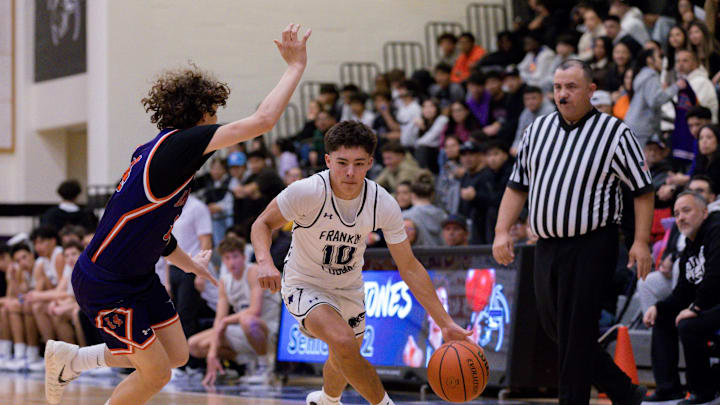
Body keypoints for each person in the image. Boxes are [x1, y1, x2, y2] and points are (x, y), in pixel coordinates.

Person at [43, 24, 311, 405]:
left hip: (134, 276)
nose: (217, 119)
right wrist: (295, 66)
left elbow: (156, 233)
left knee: (177, 354)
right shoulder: (179, 147)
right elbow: (263, 121)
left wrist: (190, 265)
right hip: (107, 281)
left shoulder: (160, 153)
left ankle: (73, 359)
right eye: (214, 112)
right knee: (157, 372)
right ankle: (74, 362)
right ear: (200, 112)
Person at [250, 120, 470, 405]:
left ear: (370, 163)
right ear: (328, 160)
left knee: (344, 352)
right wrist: (265, 262)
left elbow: (410, 266)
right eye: (342, 163)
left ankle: (327, 400)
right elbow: (262, 224)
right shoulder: (307, 191)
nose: (350, 172)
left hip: (349, 287)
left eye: (358, 163)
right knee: (343, 342)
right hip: (304, 283)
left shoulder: (383, 203)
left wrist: (445, 322)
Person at [493, 59, 653, 404]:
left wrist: (641, 242)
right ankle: (625, 391)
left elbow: (643, 189)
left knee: (577, 330)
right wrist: (501, 231)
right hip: (546, 245)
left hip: (593, 243)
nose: (562, 95)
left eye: (571, 87)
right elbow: (517, 185)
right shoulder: (536, 131)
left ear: (591, 90)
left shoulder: (616, 133)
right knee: (557, 328)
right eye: (557, 87)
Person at [643, 192, 720, 404]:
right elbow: (683, 290)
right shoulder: (690, 244)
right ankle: (668, 388)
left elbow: (716, 275)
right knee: (663, 316)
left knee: (689, 325)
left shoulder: (716, 229)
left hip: (714, 302)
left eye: (686, 211)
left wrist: (696, 307)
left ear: (705, 212)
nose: (680, 218)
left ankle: (703, 391)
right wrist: (660, 307)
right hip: (710, 304)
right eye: (676, 214)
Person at [188, 237, 279, 386]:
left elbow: (254, 311)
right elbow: (219, 319)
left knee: (247, 320)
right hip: (244, 331)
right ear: (223, 260)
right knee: (194, 345)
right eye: (227, 258)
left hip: (268, 330)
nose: (232, 262)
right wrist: (212, 353)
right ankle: (247, 363)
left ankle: (265, 367)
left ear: (243, 257)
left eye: (235, 257)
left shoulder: (254, 271)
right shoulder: (225, 281)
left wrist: (225, 321)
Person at [624, 47, 678, 146]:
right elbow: (655, 101)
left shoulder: (643, 75)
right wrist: (675, 87)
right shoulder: (651, 77)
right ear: (649, 60)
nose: (661, 61)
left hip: (635, 125)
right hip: (643, 129)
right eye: (659, 57)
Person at [402, 171, 446, 247]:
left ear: (412, 195)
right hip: (441, 257)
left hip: (417, 257)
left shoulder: (405, 216)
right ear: (432, 195)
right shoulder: (443, 215)